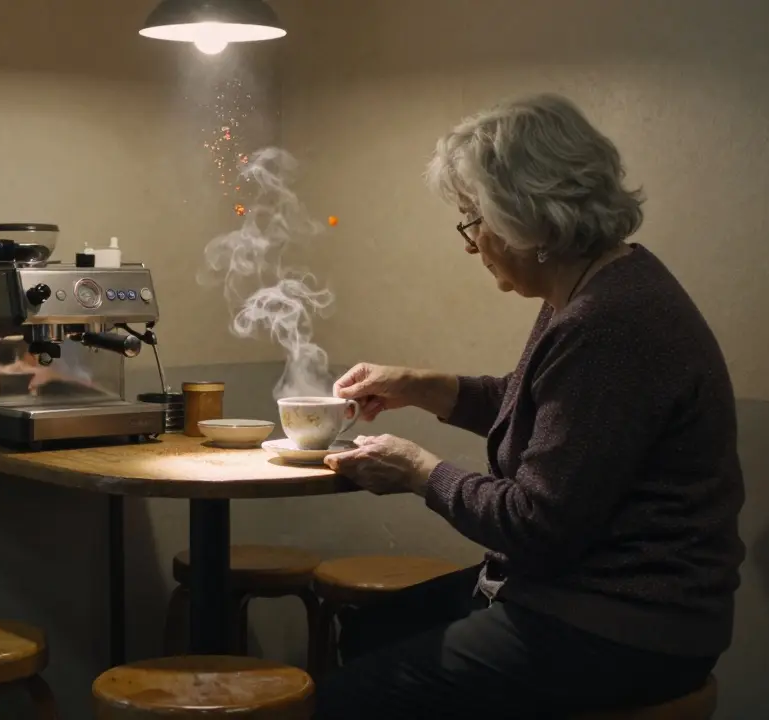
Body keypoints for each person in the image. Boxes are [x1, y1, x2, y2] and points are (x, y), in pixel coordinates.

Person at [316, 94, 745, 718]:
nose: (471, 243)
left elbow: (536, 524)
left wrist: (417, 471)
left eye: (474, 218)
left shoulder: (609, 323)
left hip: (627, 625)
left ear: (528, 217)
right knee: (370, 632)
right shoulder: (599, 285)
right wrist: (417, 384)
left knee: (350, 698)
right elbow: (548, 414)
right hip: (593, 600)